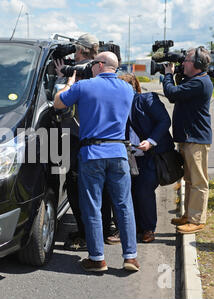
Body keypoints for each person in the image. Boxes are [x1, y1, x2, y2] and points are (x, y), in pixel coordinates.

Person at [54, 51, 139, 272]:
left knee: (92, 206)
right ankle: (130, 257)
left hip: (92, 153)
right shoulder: (127, 89)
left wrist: (69, 81)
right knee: (124, 205)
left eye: (93, 64)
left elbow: (58, 103)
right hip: (119, 152)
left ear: (100, 65)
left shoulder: (84, 86)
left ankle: (97, 258)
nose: (90, 67)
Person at [53, 34, 120, 251]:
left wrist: (62, 78)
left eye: (75, 50)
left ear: (80, 51)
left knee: (77, 187)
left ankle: (85, 235)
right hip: (107, 140)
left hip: (78, 138)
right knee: (104, 189)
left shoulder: (77, 74)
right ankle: (106, 229)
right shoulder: (101, 73)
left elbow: (59, 104)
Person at [119, 73, 175, 243]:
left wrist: (151, 141)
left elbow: (164, 121)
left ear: (132, 87)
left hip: (150, 155)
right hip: (126, 156)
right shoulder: (115, 104)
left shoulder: (147, 99)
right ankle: (133, 227)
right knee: (127, 191)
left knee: (143, 190)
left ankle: (148, 229)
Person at [163, 47, 213, 234]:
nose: (183, 63)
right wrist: (176, 73)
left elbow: (172, 94)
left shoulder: (200, 83)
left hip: (196, 139)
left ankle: (197, 219)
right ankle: (189, 215)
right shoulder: (194, 80)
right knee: (189, 180)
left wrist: (168, 74)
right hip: (189, 137)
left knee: (198, 181)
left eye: (187, 61)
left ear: (198, 65)